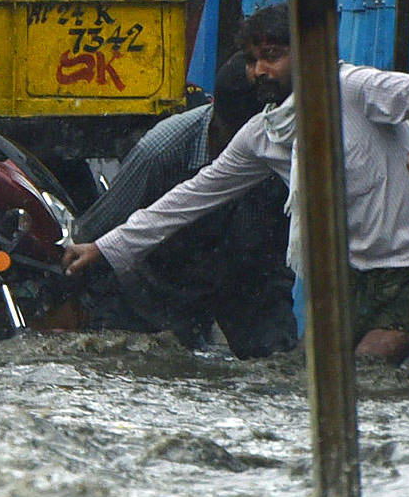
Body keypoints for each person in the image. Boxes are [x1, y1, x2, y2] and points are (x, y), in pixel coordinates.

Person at [63, 3, 409, 366]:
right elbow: (189, 198)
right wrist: (103, 248)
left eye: (272, 57)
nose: (260, 71)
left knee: (366, 374)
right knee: (303, 373)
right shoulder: (264, 134)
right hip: (357, 271)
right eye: (253, 60)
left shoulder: (349, 90)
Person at [72, 52, 296, 359]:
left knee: (278, 363)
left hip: (249, 281)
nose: (254, 150)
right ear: (214, 111)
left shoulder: (284, 147)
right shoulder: (161, 151)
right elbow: (96, 232)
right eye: (242, 140)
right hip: (157, 287)